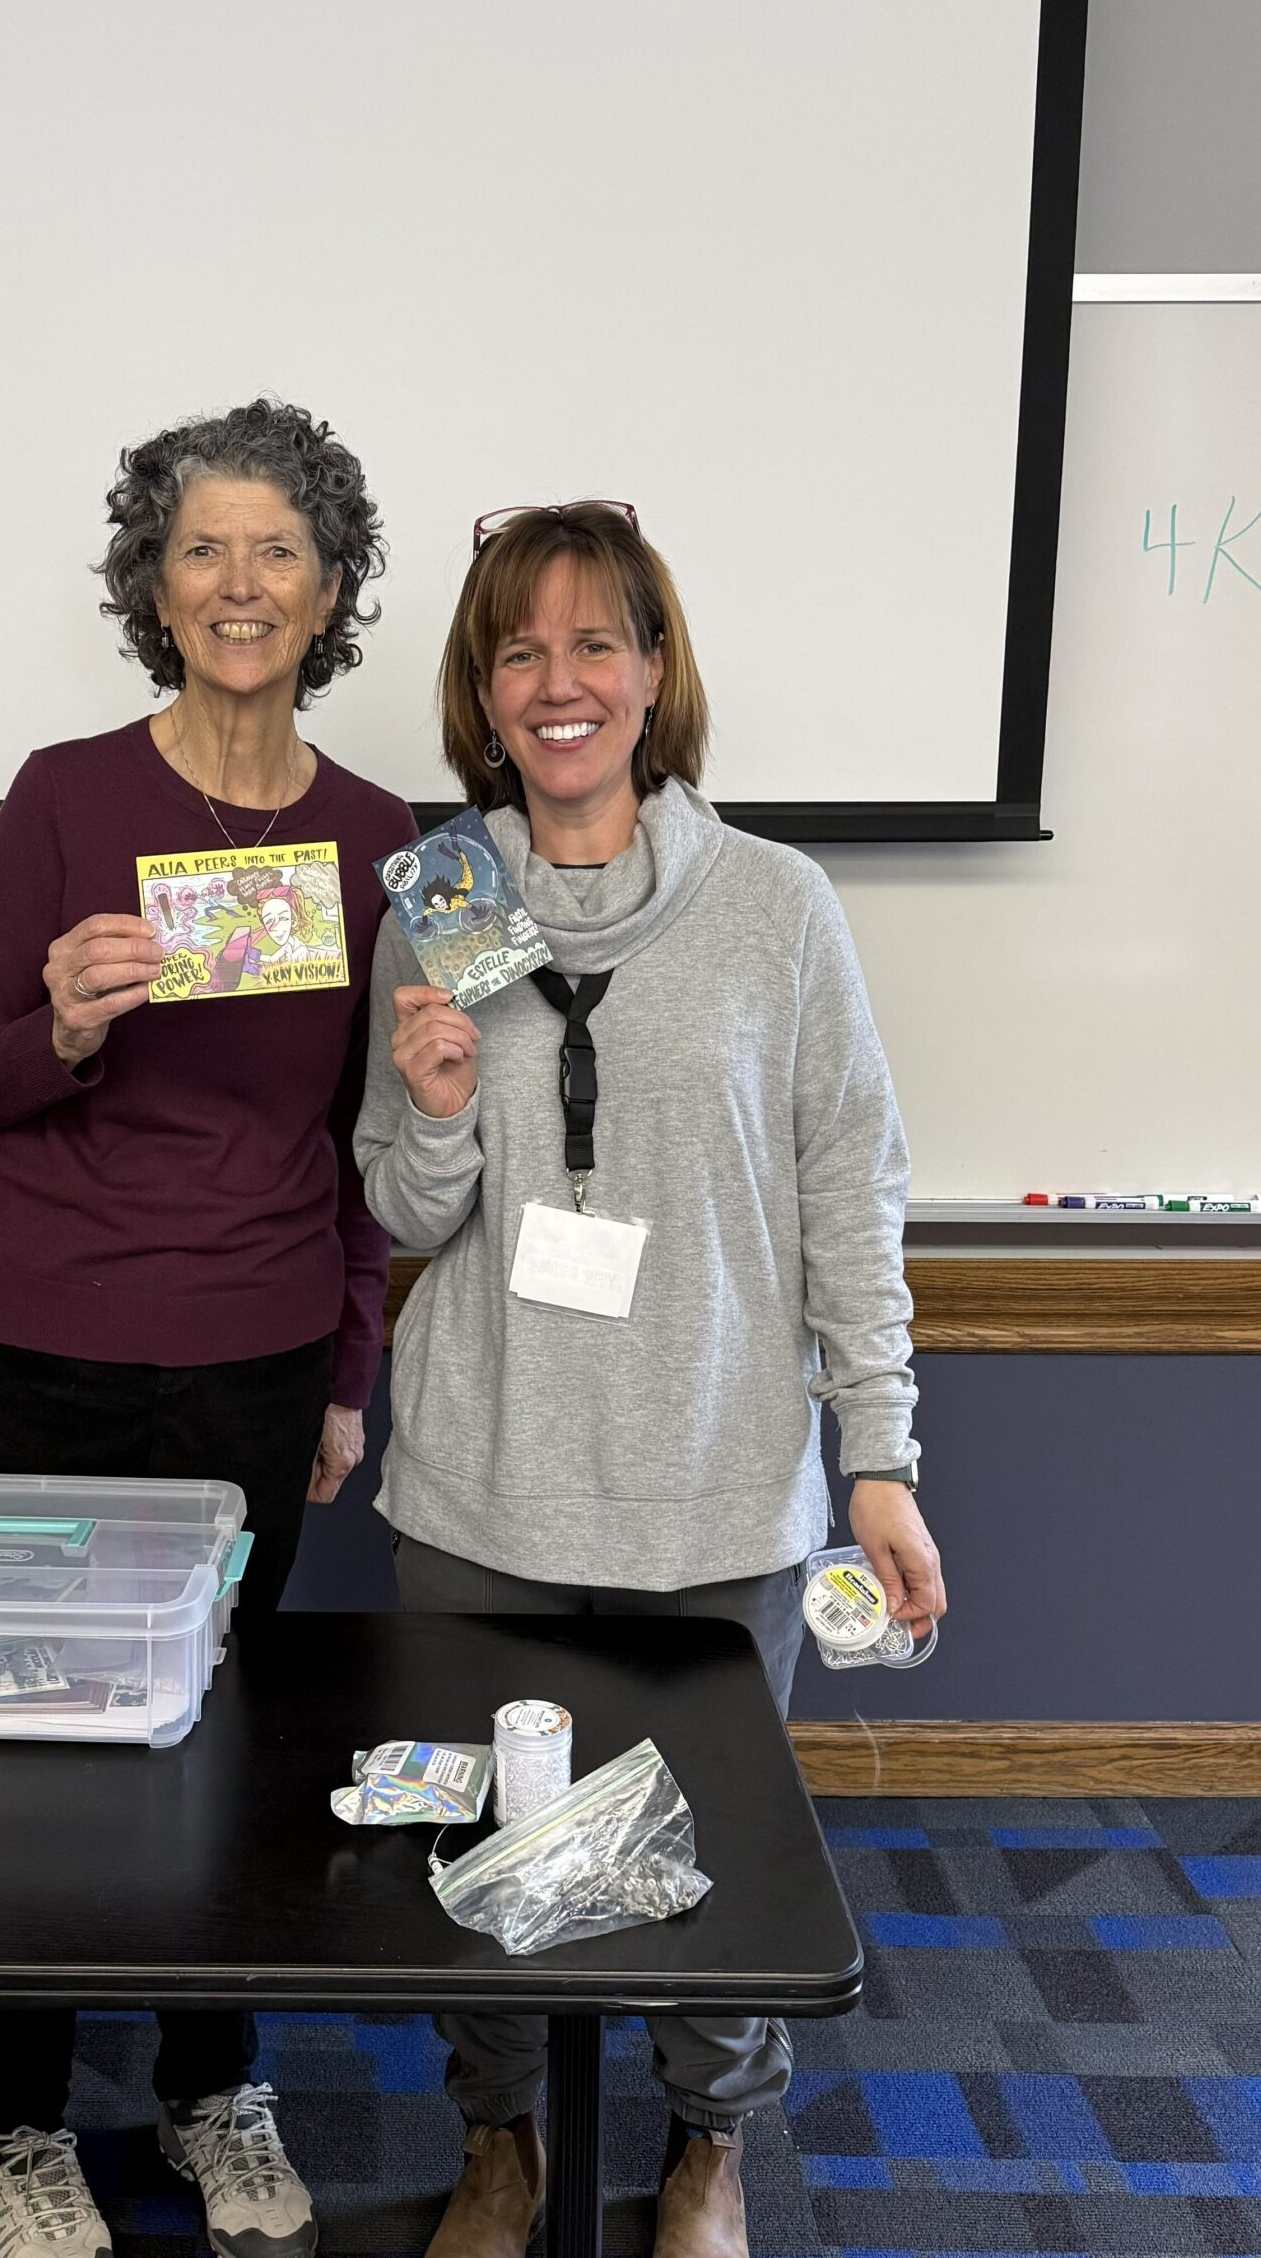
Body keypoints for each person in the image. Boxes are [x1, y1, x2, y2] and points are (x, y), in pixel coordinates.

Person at [354, 503, 948, 2258]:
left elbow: (851, 1186)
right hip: (483, 1482)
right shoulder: (438, 908)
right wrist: (439, 1109)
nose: (559, 684)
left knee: (717, 1858)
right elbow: (404, 1209)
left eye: (595, 644)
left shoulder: (776, 907)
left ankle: (709, 2149)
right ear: (482, 691)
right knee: (482, 1855)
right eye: (519, 651)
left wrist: (881, 1454)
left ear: (655, 670)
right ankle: (499, 2146)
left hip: (715, 1484)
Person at [0, 399, 417, 2258]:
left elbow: (365, 1146)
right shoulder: (67, 796)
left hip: (254, 1363)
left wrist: (348, 1375)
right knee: (15, 1748)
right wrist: (57, 1022)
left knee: (224, 1743)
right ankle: (14, 2124)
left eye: (277, 547)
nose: (239, 581)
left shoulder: (381, 840)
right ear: (154, 585)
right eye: (202, 547)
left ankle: (214, 2089)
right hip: (35, 1352)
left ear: (331, 589)